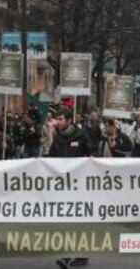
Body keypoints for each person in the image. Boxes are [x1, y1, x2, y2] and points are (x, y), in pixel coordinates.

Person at [49, 108, 92, 269]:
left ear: (68, 120)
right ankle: (66, 254)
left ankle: (81, 255)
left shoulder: (81, 135)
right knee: (66, 220)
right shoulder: (57, 137)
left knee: (79, 220)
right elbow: (52, 157)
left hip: (79, 185)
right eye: (57, 119)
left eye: (60, 119)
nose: (58, 122)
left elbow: (91, 154)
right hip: (63, 186)